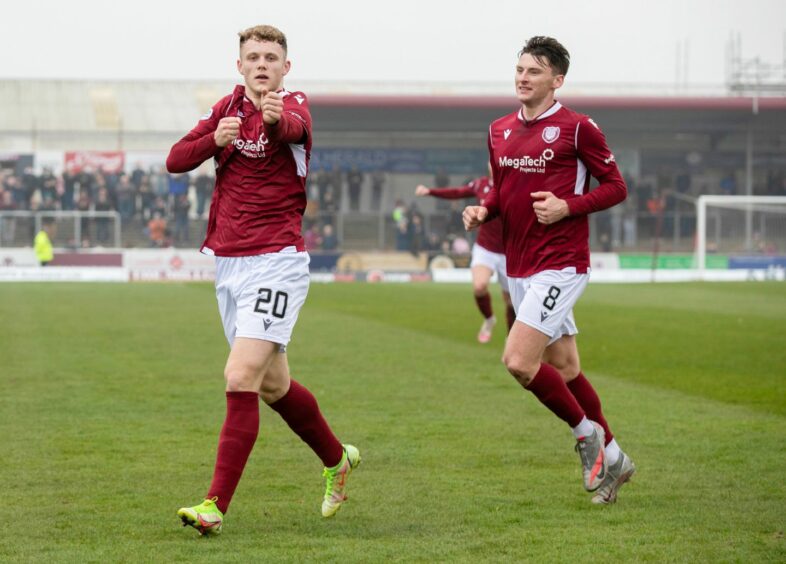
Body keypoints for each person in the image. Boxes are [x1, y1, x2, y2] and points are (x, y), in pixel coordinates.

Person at [166, 25, 360, 536]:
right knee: (274, 385)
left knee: (240, 377)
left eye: (271, 57)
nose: (261, 64)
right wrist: (214, 138)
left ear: (285, 67)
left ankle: (214, 506)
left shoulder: (293, 104)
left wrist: (273, 122)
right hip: (230, 264)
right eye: (252, 57)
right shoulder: (225, 108)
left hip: (277, 261)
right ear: (239, 65)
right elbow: (174, 160)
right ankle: (337, 459)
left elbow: (291, 129)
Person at [462, 36, 635, 504]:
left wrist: (569, 207)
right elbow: (502, 190)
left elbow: (617, 187)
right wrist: (484, 211)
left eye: (534, 71)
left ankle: (586, 436)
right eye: (519, 69)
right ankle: (616, 458)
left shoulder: (578, 128)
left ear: (557, 81)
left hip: (560, 264)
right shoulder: (499, 130)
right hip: (519, 268)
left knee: (518, 361)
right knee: (566, 366)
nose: (523, 77)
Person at [416, 167, 515, 343]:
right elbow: (457, 192)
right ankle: (489, 319)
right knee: (479, 286)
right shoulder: (481, 184)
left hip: (510, 251)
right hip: (486, 248)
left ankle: (512, 339)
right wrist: (430, 191)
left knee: (511, 302)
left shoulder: (515, 184)